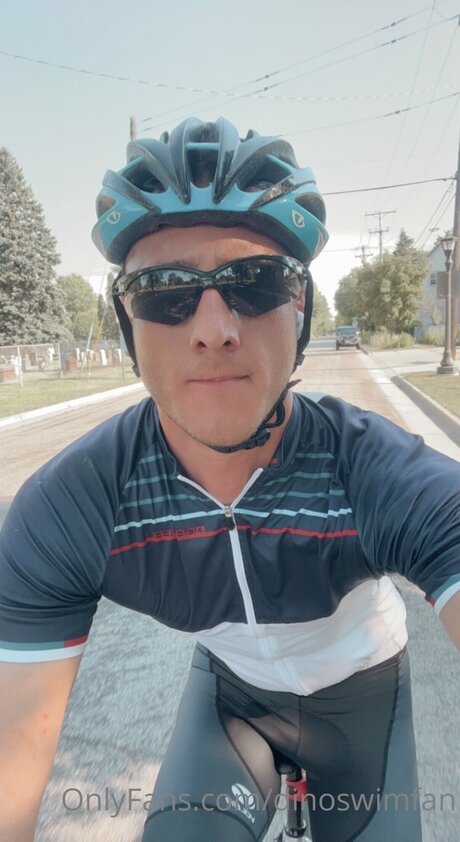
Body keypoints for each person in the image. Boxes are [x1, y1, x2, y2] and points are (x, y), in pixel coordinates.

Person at [0, 117, 459, 842]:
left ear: (300, 305)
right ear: (126, 320)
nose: (213, 328)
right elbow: (10, 760)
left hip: (366, 694)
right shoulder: (73, 506)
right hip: (233, 699)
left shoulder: (373, 468)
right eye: (165, 290)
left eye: (254, 281)